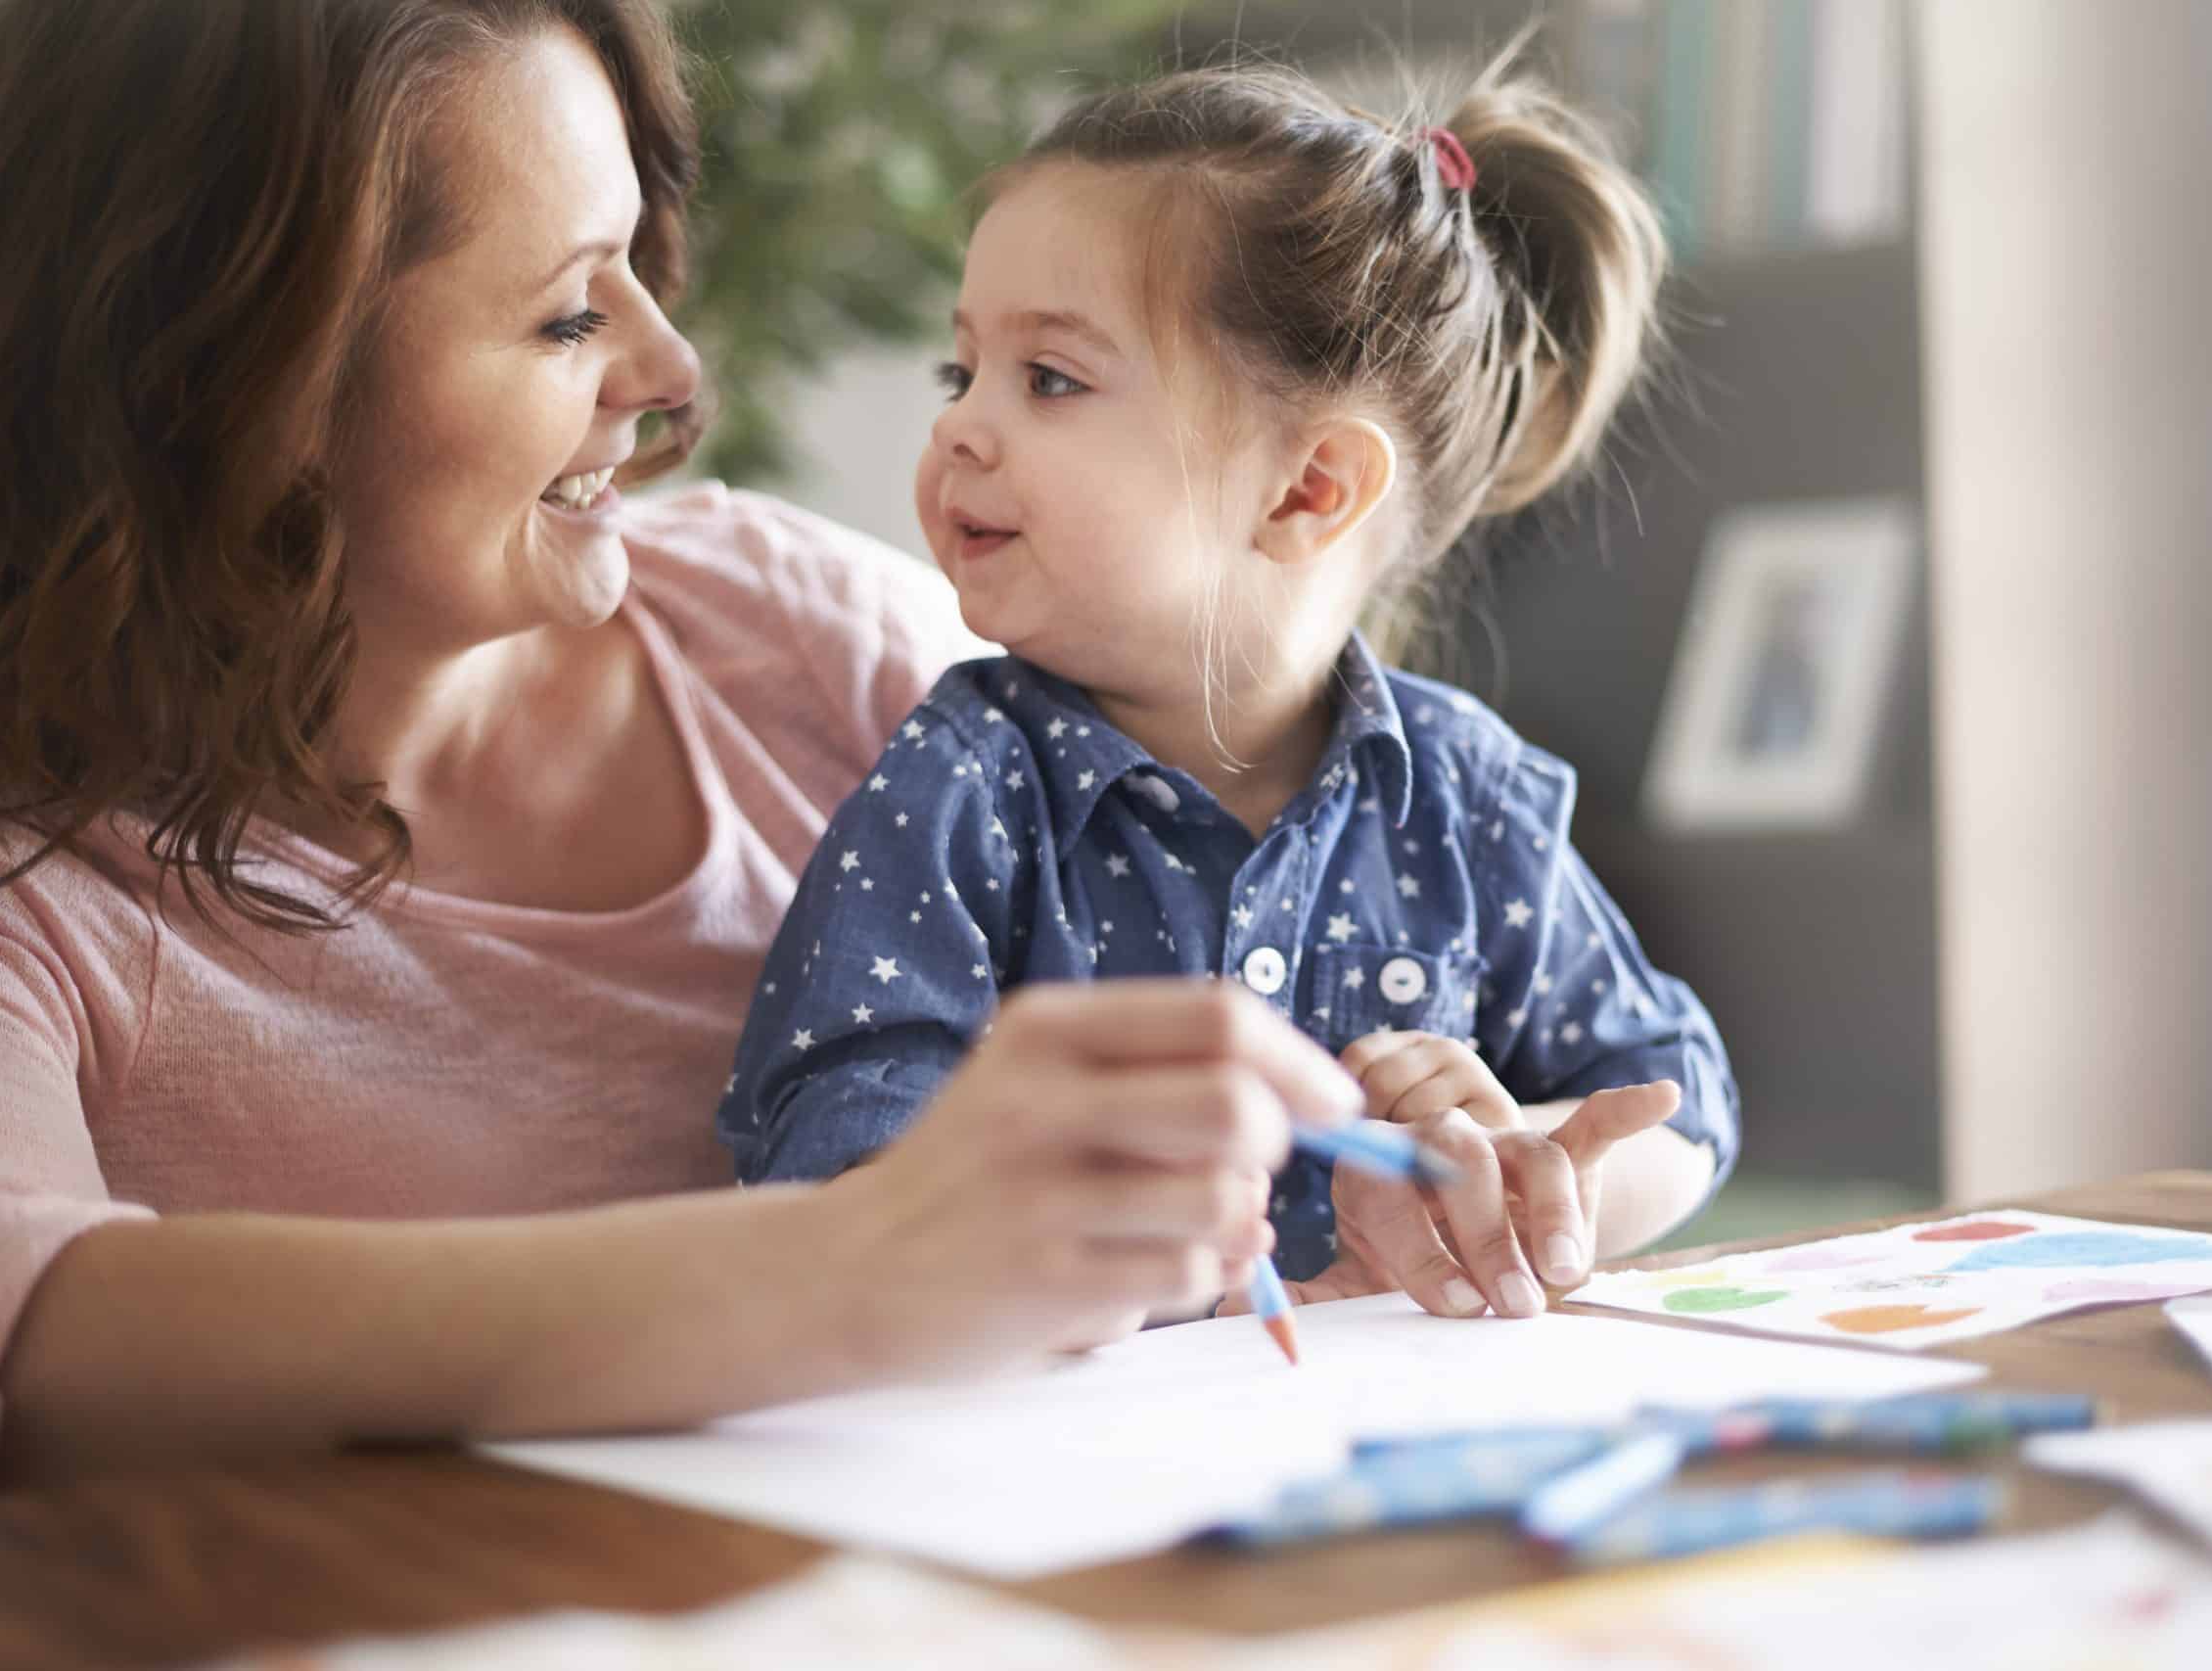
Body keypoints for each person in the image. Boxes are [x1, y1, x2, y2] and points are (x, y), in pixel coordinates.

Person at [0, 0, 1363, 1514]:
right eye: (571, 313)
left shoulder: (807, 643)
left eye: (640, 264)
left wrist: (1418, 1128)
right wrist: (850, 1267)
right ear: (246, 383)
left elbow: (1279, 934)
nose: (669, 367)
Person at [719, 55, 1739, 1325]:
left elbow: (1678, 1102)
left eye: (1049, 379)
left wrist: (1521, 1169)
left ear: (1309, 490)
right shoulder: (964, 780)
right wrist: (1046, 1210)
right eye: (961, 371)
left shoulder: (1469, 798)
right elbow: (832, 1142)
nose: (960, 429)